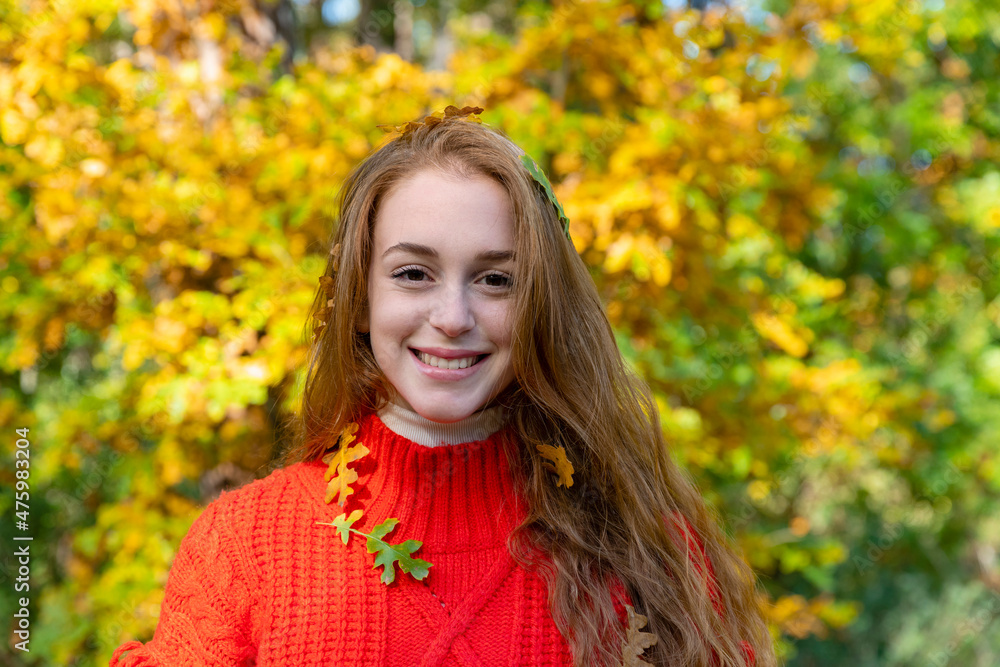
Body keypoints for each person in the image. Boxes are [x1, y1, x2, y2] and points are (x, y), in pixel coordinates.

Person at [110, 106, 774, 666]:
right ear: (360, 298)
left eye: (496, 280)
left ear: (538, 305)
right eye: (413, 274)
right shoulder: (245, 546)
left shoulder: (645, 551)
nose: (453, 317)